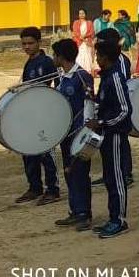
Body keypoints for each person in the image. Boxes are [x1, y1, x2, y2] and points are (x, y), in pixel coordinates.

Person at [86, 39, 132, 238]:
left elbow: (124, 110)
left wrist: (102, 123)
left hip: (115, 135)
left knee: (116, 178)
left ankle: (119, 220)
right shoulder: (106, 77)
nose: (96, 58)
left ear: (105, 57)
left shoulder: (115, 78)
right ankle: (113, 217)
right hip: (107, 134)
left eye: (98, 55)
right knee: (109, 177)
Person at [51, 39, 94, 229]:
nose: (53, 58)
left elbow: (90, 104)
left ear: (61, 56)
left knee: (80, 173)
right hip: (66, 134)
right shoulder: (63, 77)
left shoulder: (82, 76)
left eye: (54, 54)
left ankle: (84, 214)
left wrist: (85, 132)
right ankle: (75, 210)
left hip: (79, 134)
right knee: (69, 172)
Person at [15, 27, 61, 205]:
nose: (27, 47)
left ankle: (53, 189)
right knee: (28, 150)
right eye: (24, 44)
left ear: (39, 42)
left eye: (30, 43)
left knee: (45, 151)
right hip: (31, 113)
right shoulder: (29, 63)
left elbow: (57, 84)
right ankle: (34, 187)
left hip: (43, 113)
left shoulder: (47, 62)